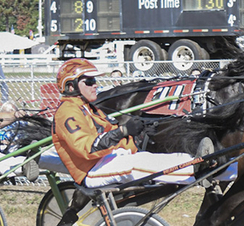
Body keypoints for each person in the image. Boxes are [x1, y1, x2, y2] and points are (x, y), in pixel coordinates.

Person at [52, 58, 197, 189]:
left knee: (153, 157)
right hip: (91, 170)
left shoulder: (89, 108)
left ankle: (204, 164)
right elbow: (88, 148)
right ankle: (196, 172)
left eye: (94, 81)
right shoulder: (67, 112)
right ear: (71, 87)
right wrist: (123, 131)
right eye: (89, 82)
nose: (95, 85)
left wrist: (137, 137)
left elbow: (110, 132)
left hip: (107, 159)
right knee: (136, 166)